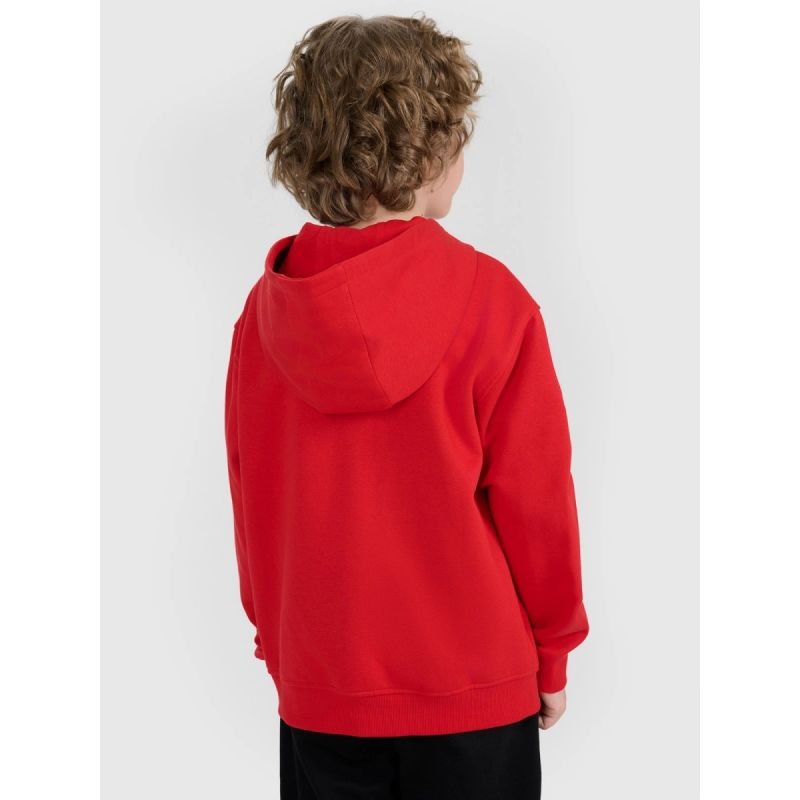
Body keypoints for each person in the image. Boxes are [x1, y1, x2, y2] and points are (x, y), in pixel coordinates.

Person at [224, 13, 590, 799]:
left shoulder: (264, 315)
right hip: (475, 694)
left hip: (324, 693)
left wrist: (278, 641)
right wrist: (553, 651)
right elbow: (537, 502)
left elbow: (252, 494)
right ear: (428, 152)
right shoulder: (494, 302)